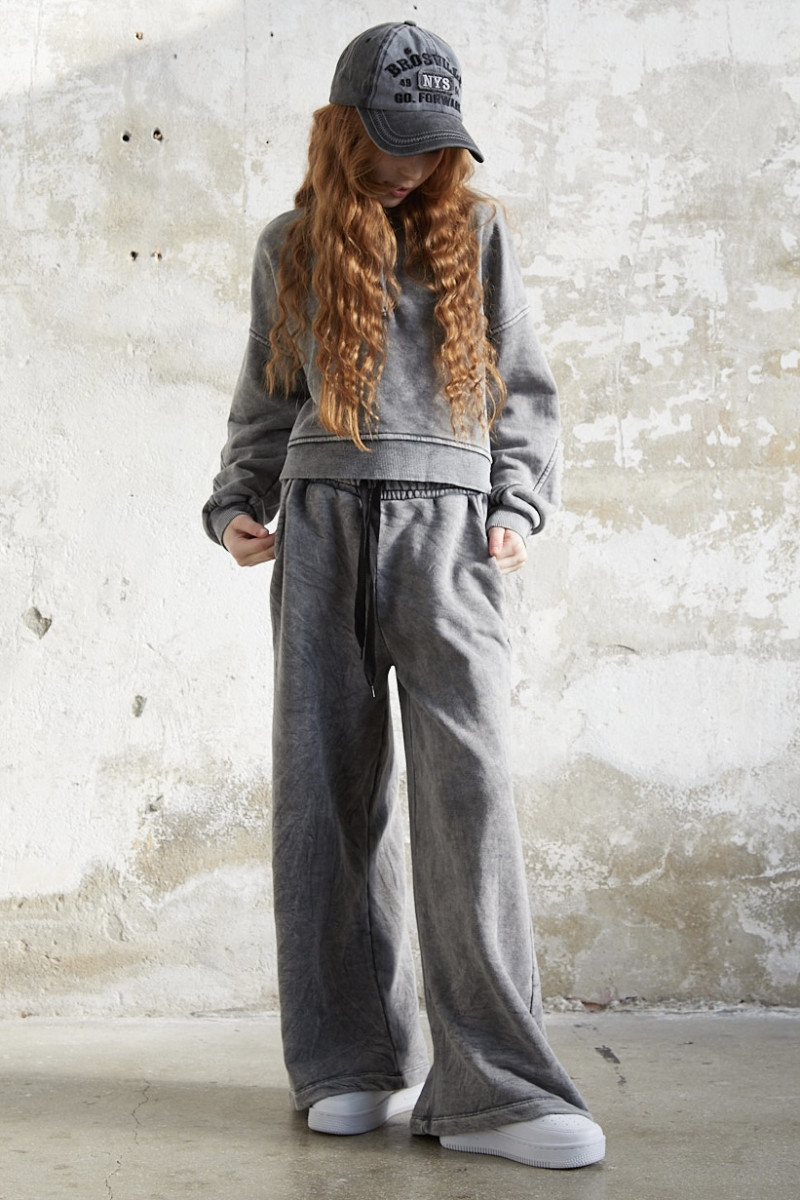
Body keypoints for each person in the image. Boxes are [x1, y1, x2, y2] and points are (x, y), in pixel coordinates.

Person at [203, 20, 605, 1171]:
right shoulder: (290, 246)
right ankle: (348, 1061)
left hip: (449, 535)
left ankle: (498, 1089)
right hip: (320, 527)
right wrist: (236, 504)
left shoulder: (476, 237)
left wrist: (514, 505)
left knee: (466, 798)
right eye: (388, 141)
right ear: (341, 132)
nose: (409, 165)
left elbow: (525, 392)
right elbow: (264, 401)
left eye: (429, 146)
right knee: (323, 796)